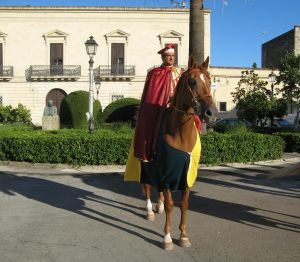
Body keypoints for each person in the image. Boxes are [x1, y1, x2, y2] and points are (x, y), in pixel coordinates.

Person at [124, 44, 184, 220]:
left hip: (173, 109)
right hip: (156, 109)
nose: (171, 58)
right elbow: (148, 95)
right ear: (163, 57)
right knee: (148, 130)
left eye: (173, 56)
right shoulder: (154, 73)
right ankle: (147, 149)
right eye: (168, 56)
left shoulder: (180, 73)